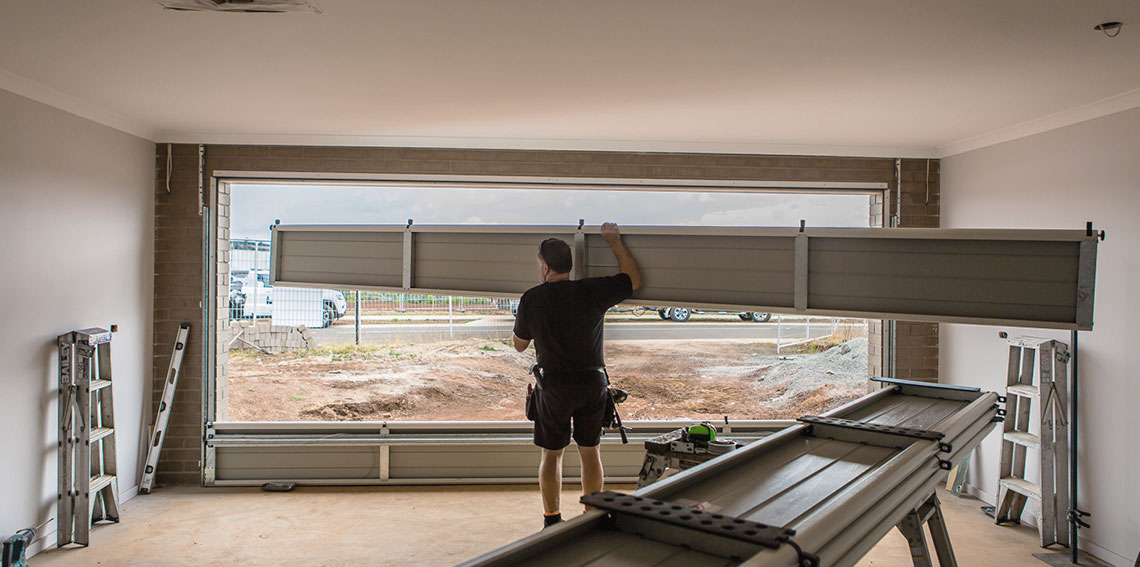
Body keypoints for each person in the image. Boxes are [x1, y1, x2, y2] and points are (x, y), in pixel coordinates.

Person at [512, 222, 642, 528]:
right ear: (569, 266)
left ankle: (552, 519)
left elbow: (519, 346)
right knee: (589, 451)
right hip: (591, 384)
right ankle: (593, 515)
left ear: (544, 268)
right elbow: (633, 279)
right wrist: (615, 243)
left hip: (553, 387)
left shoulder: (532, 299)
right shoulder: (592, 291)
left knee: (552, 455)